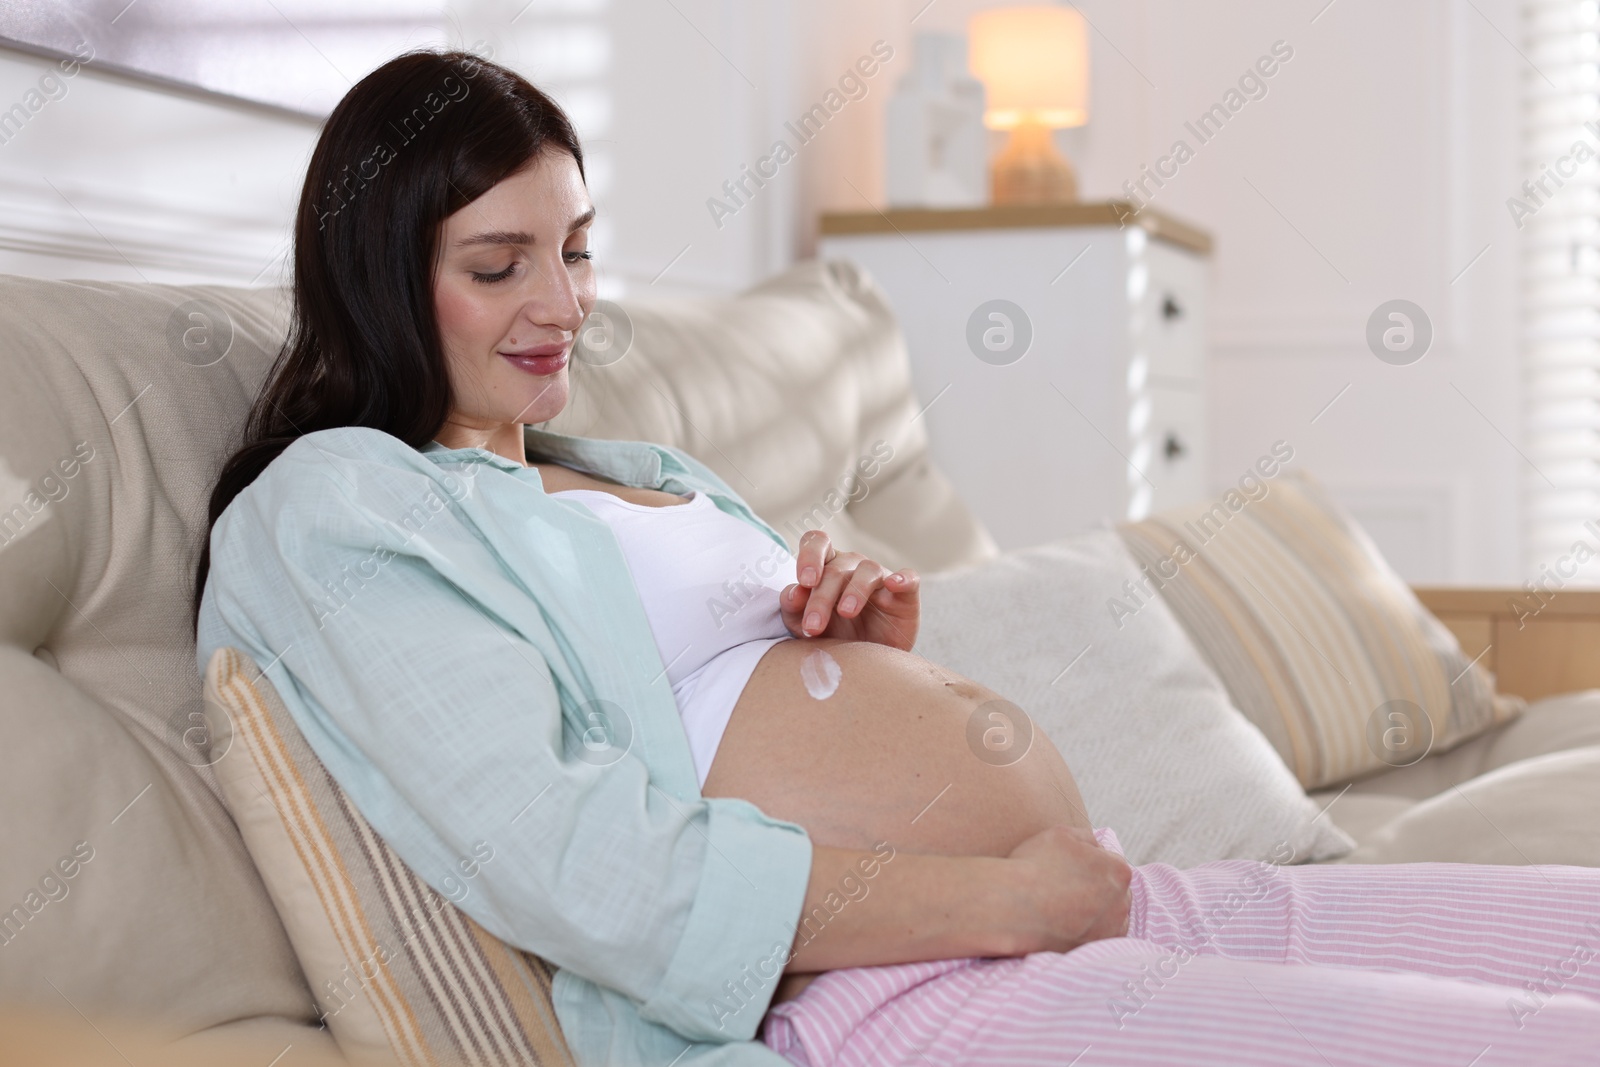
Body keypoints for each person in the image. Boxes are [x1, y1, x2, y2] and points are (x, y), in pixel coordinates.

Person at [194, 49, 1600, 1067]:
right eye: (500, 266)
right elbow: (588, 868)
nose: (563, 303)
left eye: (576, 248)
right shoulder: (341, 511)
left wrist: (854, 657)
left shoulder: (627, 473)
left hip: (1090, 897)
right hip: (895, 993)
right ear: (376, 270)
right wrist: (1003, 897)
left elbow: (720, 719)